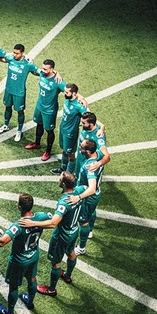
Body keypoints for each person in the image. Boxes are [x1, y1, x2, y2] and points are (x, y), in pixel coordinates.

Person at [19, 172, 86, 295]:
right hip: (74, 230)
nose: (58, 180)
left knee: (56, 262)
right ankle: (67, 275)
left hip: (62, 236)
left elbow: (53, 223)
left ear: (64, 184)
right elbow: (88, 188)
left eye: (60, 179)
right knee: (71, 252)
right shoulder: (79, 192)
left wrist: (32, 223)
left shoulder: (64, 203)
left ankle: (51, 289)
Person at [71, 112, 110, 240]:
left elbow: (107, 156)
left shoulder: (98, 138)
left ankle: (89, 229)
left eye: (84, 123)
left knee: (88, 210)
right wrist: (103, 125)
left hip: (88, 171)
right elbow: (96, 120)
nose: (81, 124)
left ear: (91, 124)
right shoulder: (91, 124)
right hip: (81, 163)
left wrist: (98, 163)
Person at [0, 44, 39, 142]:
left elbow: (39, 72)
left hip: (19, 92)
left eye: (17, 53)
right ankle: (6, 125)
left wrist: (55, 73)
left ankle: (19, 131)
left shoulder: (28, 64)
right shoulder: (10, 59)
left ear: (22, 53)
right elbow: (1, 58)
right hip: (9, 89)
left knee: (19, 111)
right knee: (7, 107)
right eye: (14, 52)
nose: (15, 55)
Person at [70, 139, 106, 256]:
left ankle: (81, 247)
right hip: (96, 195)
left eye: (82, 148)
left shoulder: (90, 167)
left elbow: (92, 188)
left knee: (83, 221)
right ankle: (90, 231)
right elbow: (107, 156)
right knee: (92, 212)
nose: (80, 150)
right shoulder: (99, 155)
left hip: (88, 197)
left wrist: (79, 197)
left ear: (89, 151)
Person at [25, 60, 65, 162]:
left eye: (45, 69)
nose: (43, 70)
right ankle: (37, 143)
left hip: (50, 110)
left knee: (49, 130)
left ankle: (48, 151)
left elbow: (69, 91)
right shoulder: (42, 74)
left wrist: (81, 98)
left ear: (51, 69)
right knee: (39, 124)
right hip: (40, 106)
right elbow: (33, 68)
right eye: (43, 68)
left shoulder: (58, 81)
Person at [51, 83, 88, 175]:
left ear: (74, 93)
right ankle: (62, 168)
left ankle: (69, 172)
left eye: (67, 92)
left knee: (71, 153)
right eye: (65, 91)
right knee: (64, 150)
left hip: (70, 133)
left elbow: (88, 116)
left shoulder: (79, 106)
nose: (64, 94)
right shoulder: (68, 99)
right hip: (63, 129)